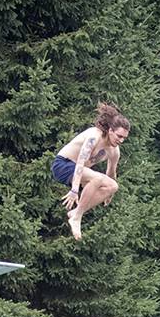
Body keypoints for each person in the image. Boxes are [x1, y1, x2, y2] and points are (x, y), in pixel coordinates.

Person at [51, 102, 130, 240]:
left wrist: (109, 194)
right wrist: (75, 190)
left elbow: (111, 173)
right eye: (119, 136)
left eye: (124, 138)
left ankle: (76, 213)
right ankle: (77, 217)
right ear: (110, 130)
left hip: (77, 172)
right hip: (63, 165)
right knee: (97, 178)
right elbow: (80, 163)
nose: (121, 141)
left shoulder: (114, 151)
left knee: (113, 185)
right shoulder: (94, 137)